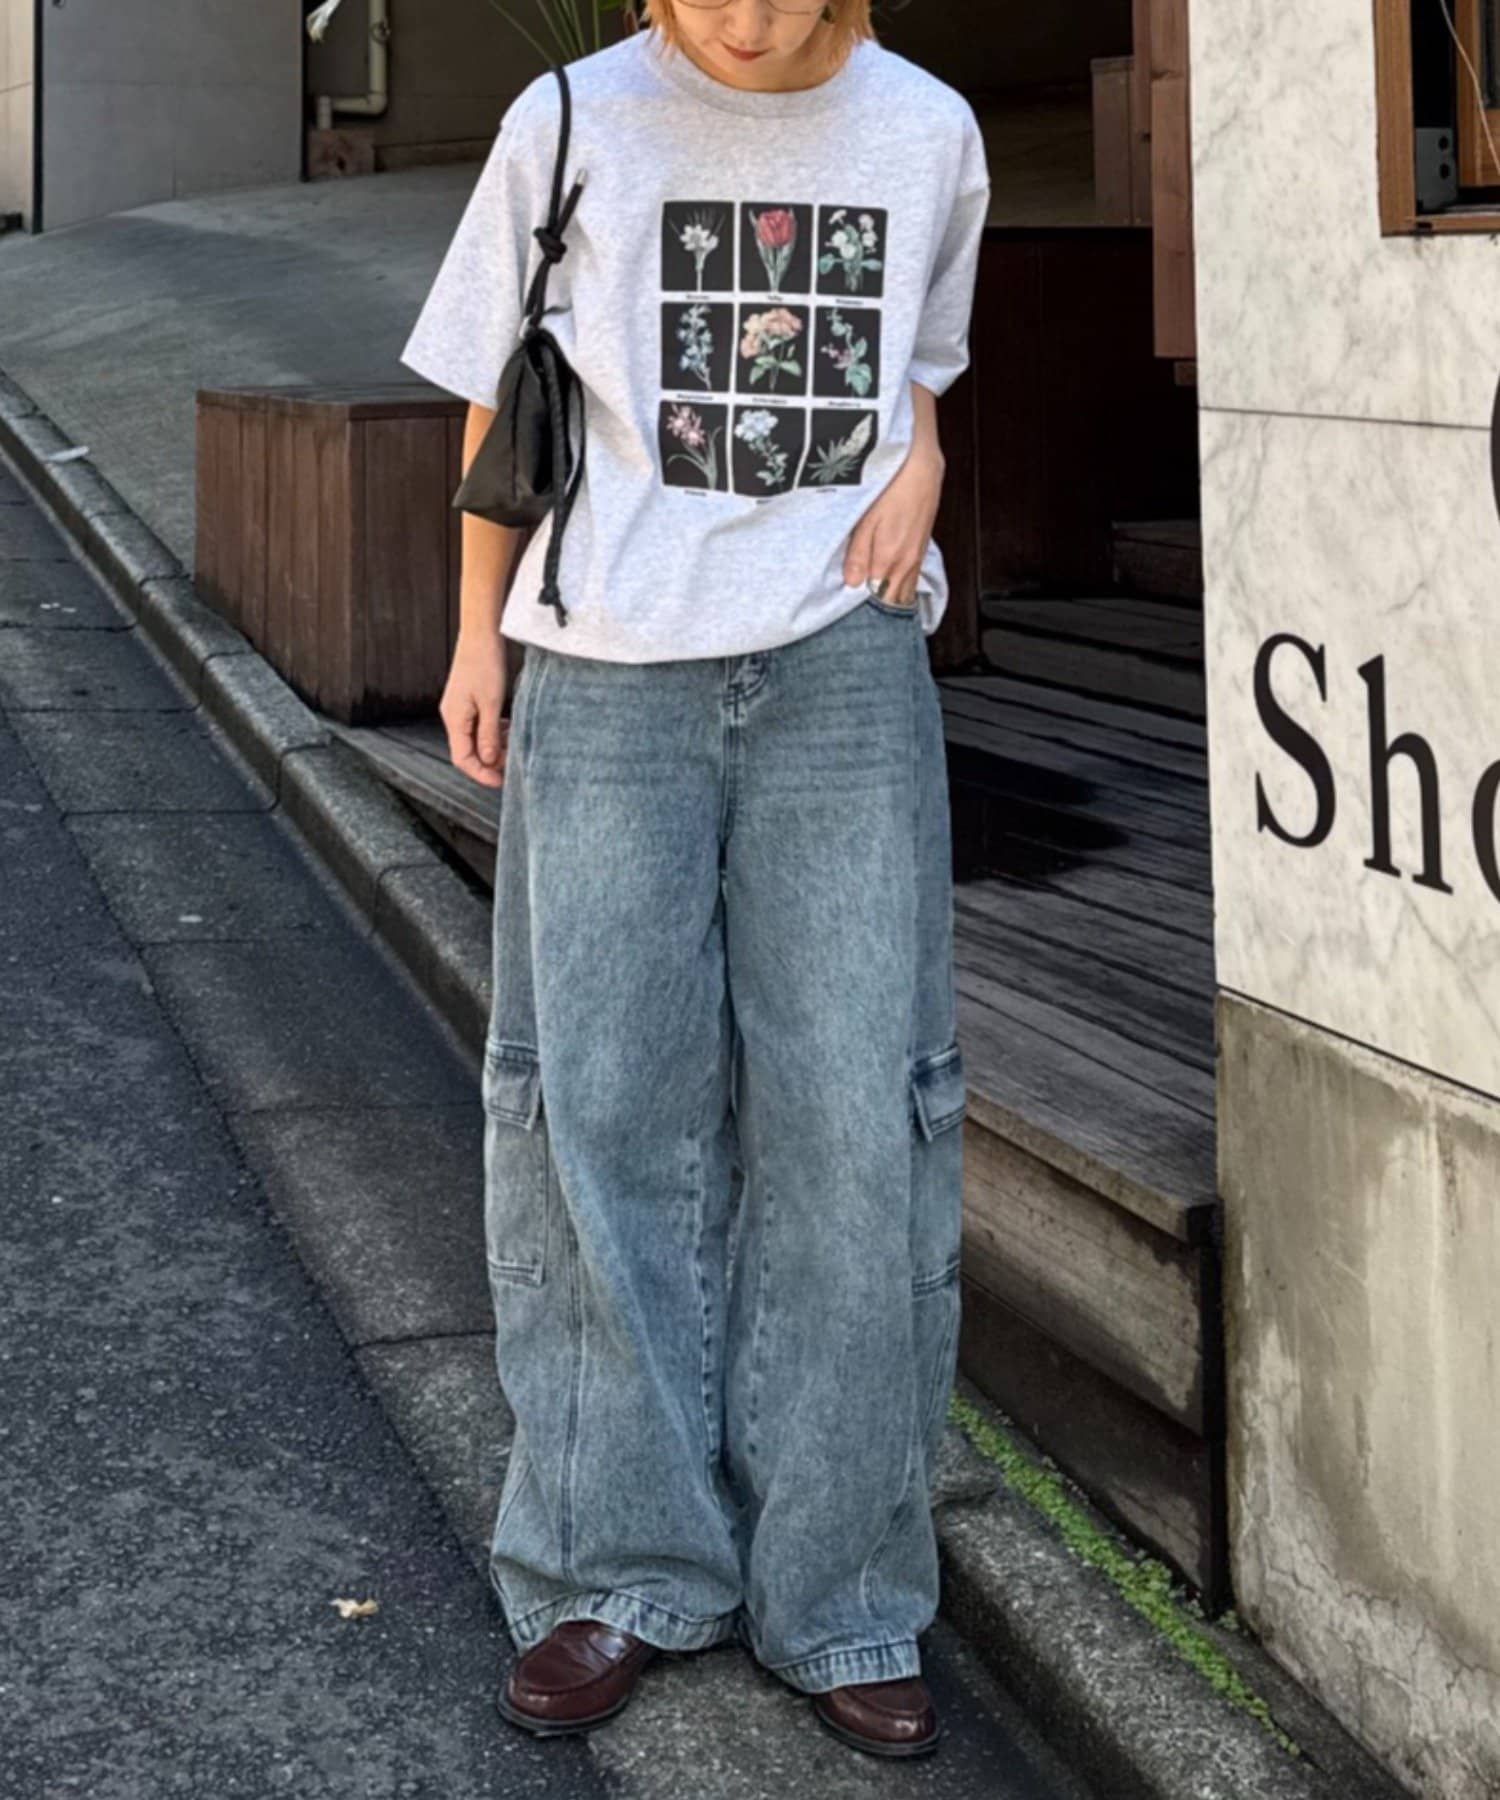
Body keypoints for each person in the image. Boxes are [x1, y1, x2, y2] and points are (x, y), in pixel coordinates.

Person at [397, 0, 988, 1761]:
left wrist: (928, 457)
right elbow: (502, 397)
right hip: (606, 670)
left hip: (842, 661)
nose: (743, 20)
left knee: (856, 1117)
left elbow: (919, 367)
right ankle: (620, 1564)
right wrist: (478, 635)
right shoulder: (570, 117)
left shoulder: (928, 130)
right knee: (601, 1109)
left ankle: (845, 1588)